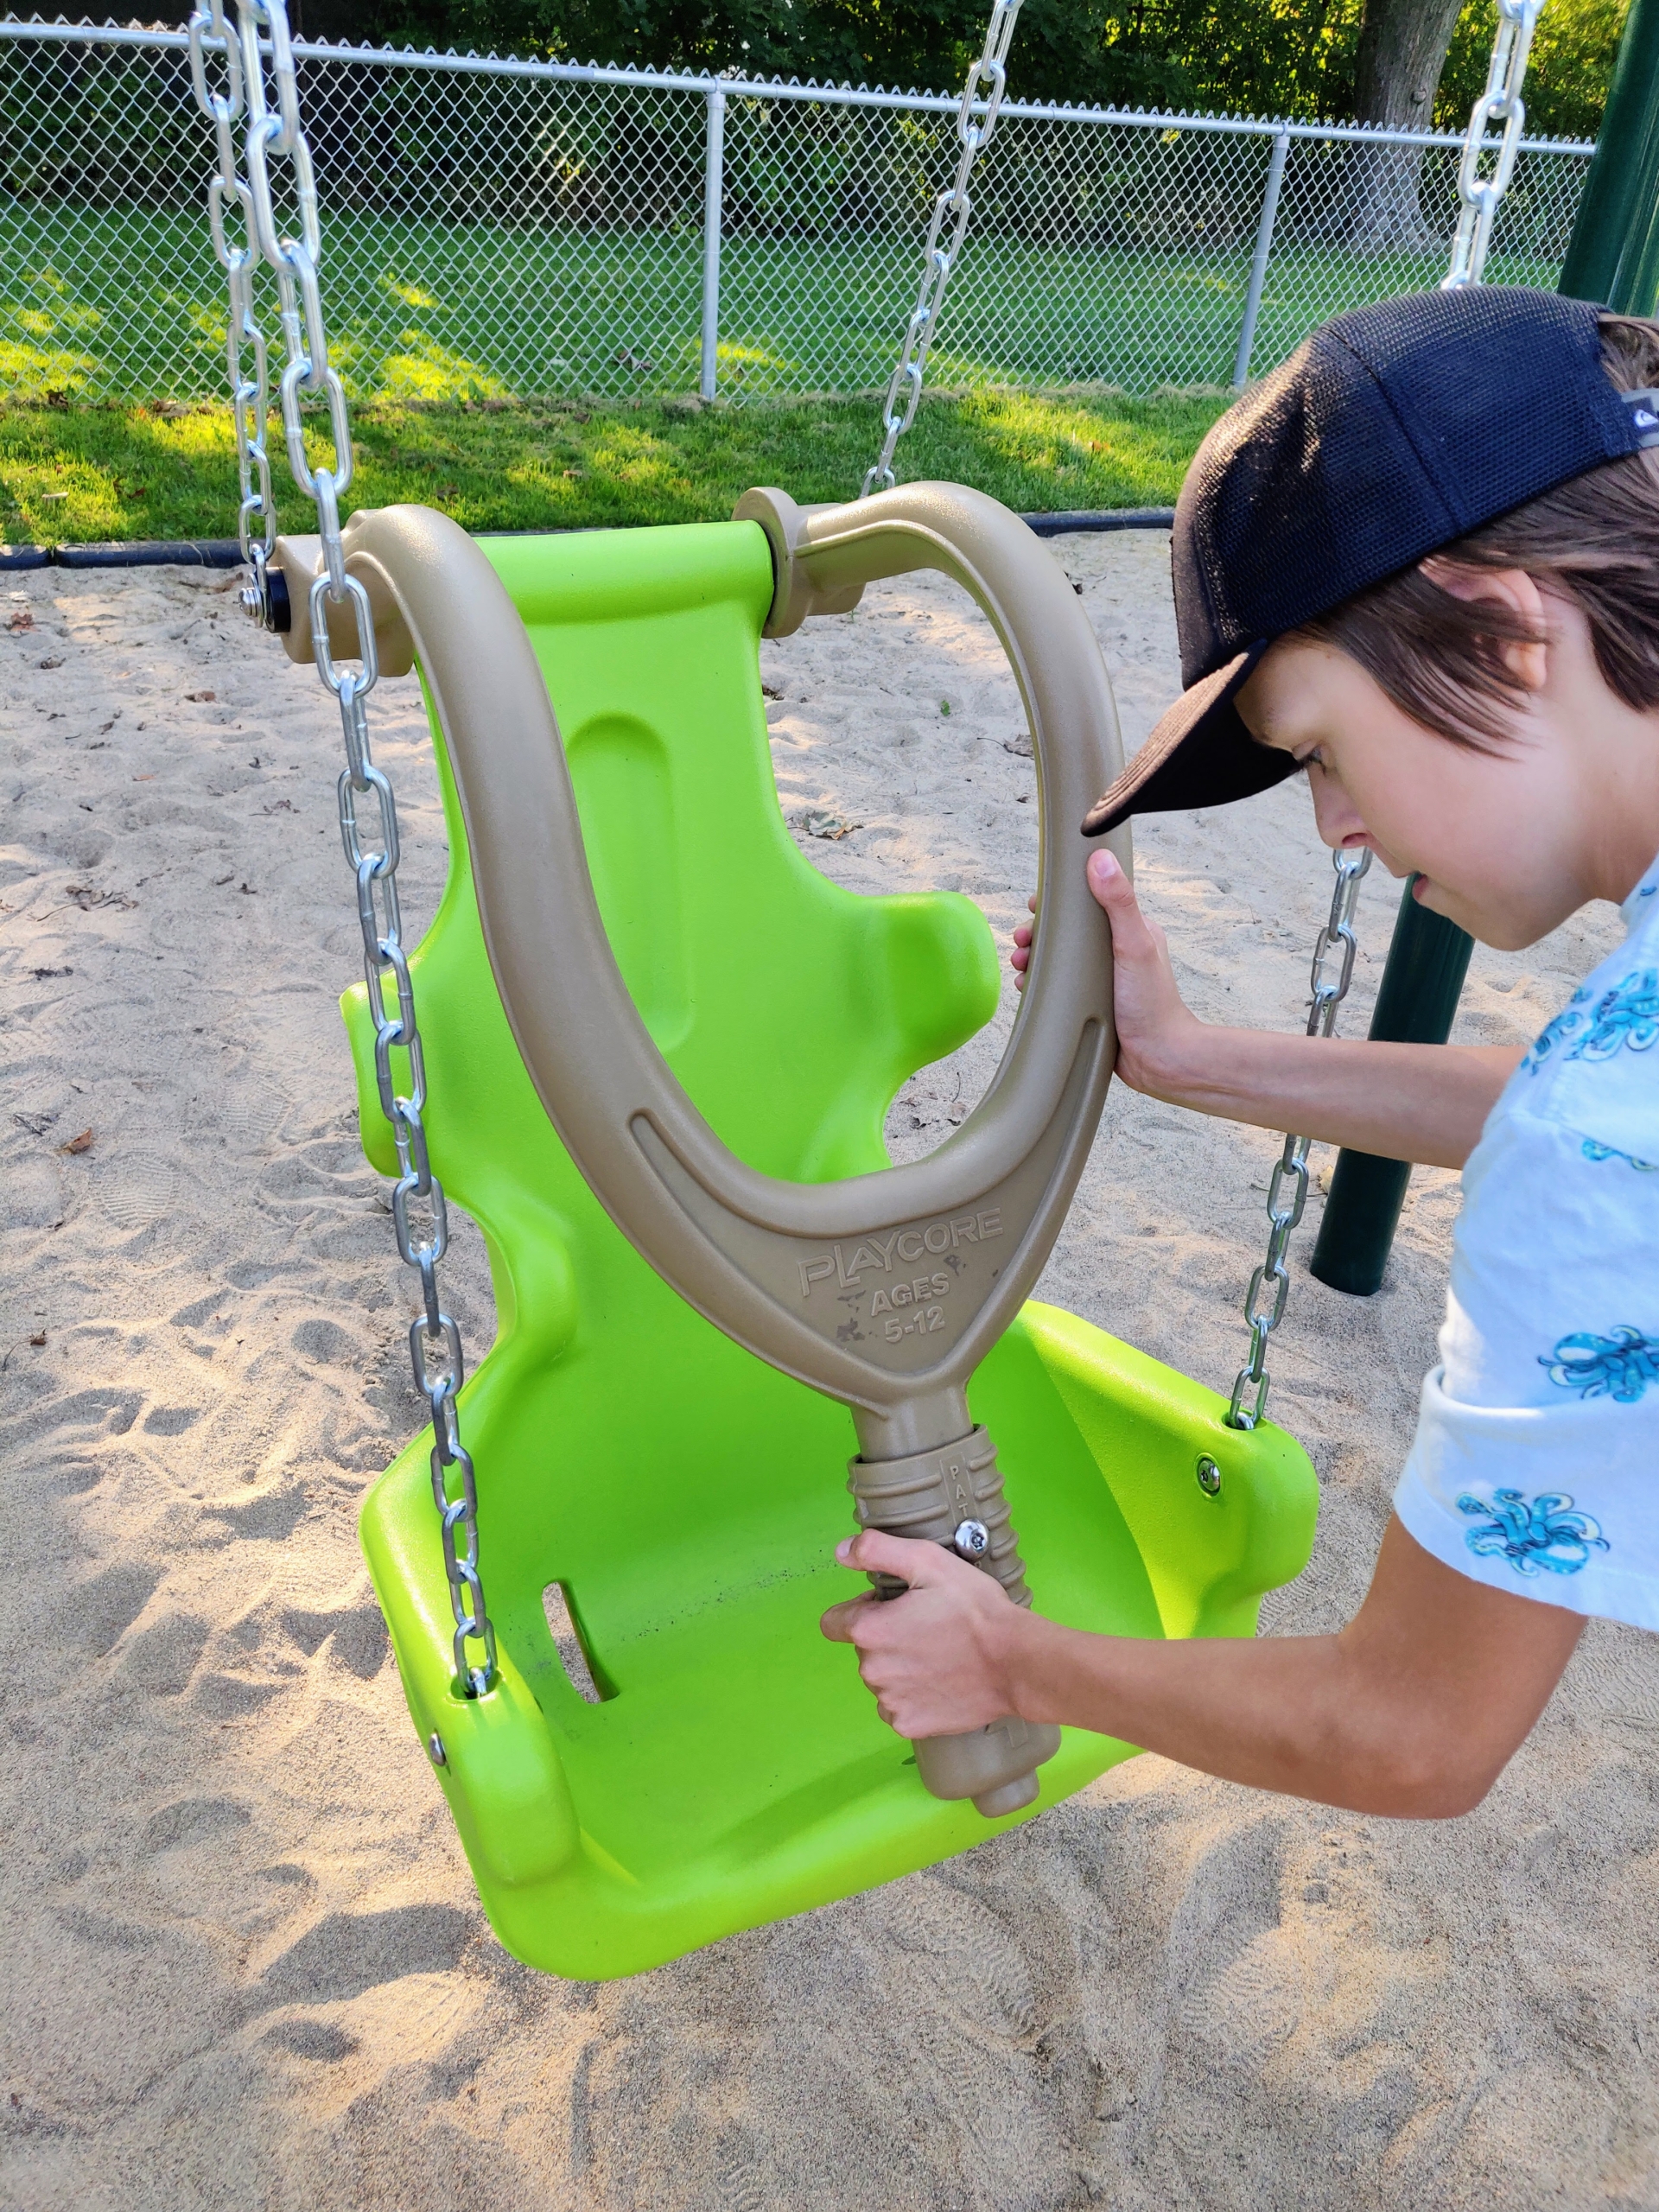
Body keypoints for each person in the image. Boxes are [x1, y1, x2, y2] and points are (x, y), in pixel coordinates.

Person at [822, 285, 1659, 1817]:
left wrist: (1009, 1661)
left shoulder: (1600, 1134)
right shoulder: (1614, 1100)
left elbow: (1411, 1731)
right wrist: (1192, 1059)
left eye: (1320, 750)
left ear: (1500, 634)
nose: (1335, 825)